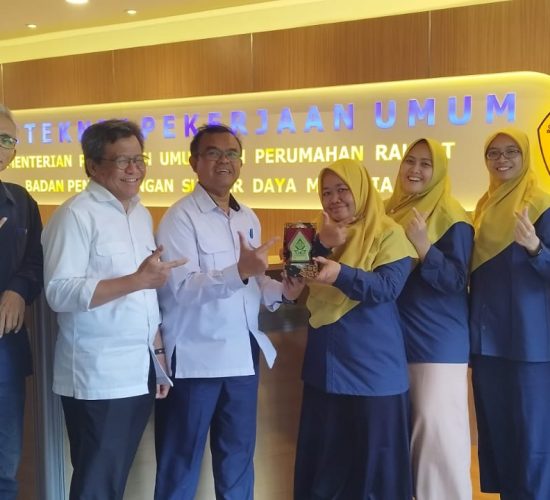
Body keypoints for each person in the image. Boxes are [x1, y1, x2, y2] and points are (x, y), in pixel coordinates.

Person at [154, 123, 302, 500]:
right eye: (213, 153)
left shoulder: (247, 217)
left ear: (241, 162)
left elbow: (254, 282)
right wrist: (239, 271)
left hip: (242, 357)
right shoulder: (179, 218)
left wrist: (285, 291)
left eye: (232, 153)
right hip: (195, 361)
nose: (224, 160)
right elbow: (183, 288)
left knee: (237, 464)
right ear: (194, 163)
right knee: (180, 465)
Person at [41, 119, 186, 500]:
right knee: (97, 486)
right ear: (92, 165)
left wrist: (157, 357)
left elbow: (146, 295)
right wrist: (136, 280)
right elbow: (59, 292)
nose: (134, 169)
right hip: (97, 376)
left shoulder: (139, 213)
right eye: (122, 161)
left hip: (138, 371)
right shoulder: (75, 215)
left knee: (114, 481)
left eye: (139, 159)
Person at [293, 158, 416, 499]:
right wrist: (322, 243)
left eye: (342, 189)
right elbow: (295, 275)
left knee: (375, 468)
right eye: (326, 192)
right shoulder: (313, 233)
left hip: (373, 367)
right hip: (326, 367)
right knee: (327, 466)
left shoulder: (389, 232)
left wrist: (341, 274)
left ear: (361, 189)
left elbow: (387, 288)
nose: (334, 199)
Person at [385, 138, 473, 500]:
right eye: (410, 161)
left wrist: (424, 245)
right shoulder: (390, 212)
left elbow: (455, 281)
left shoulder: (453, 216)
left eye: (426, 164)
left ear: (438, 171)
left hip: (437, 344)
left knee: (439, 438)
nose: (415, 170)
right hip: (396, 340)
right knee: (409, 437)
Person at [470, 127, 550, 499]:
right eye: (494, 153)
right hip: (488, 343)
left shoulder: (542, 202)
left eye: (511, 151)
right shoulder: (484, 206)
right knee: (500, 437)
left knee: (533, 440)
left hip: (530, 344)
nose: (501, 160)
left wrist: (535, 248)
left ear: (525, 156)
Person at [0, 105, 43, 500]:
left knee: (5, 469)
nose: (1, 147)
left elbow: (34, 262)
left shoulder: (20, 201)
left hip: (5, 353)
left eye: (6, 140)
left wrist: (17, 288)